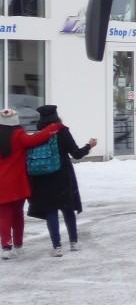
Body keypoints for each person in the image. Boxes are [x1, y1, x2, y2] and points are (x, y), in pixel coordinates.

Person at [26, 105, 95, 256]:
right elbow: (76, 154)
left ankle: (57, 246)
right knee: (67, 208)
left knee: (51, 210)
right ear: (56, 117)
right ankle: (74, 242)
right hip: (63, 175)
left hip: (43, 179)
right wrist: (89, 146)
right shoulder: (62, 132)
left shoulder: (38, 134)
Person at [0, 108, 61, 259]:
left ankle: (6, 247)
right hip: (17, 183)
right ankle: (18, 245)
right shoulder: (19, 135)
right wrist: (54, 127)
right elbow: (37, 139)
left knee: (4, 215)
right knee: (17, 214)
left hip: (1, 184)